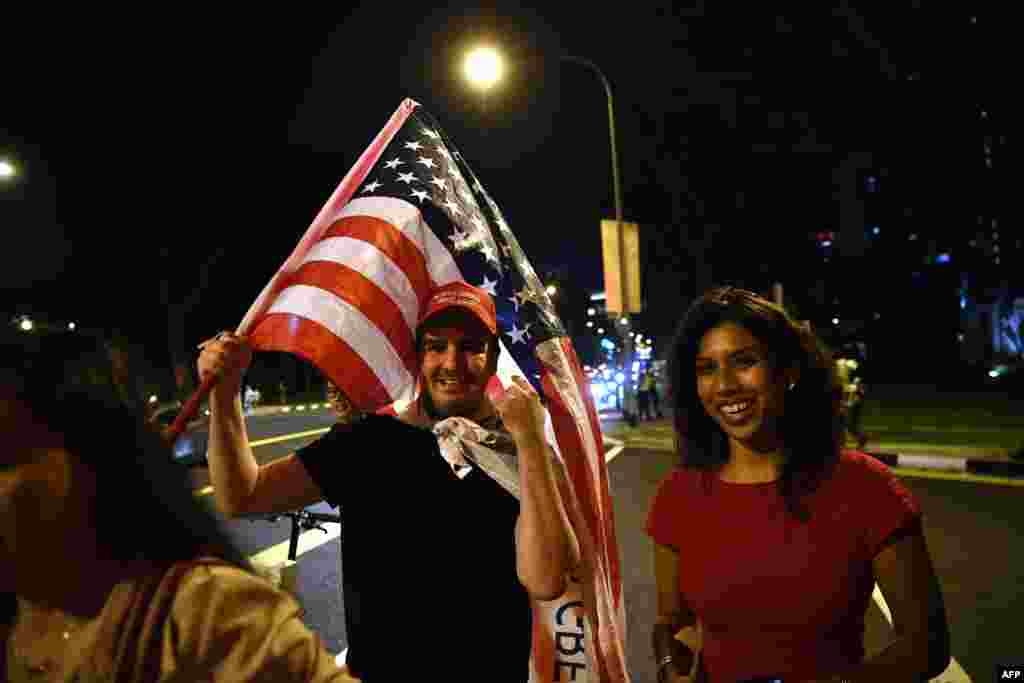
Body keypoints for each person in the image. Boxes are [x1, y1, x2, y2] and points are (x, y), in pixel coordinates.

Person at [198, 281, 581, 682]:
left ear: (493, 358)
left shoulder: (520, 450)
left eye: (470, 347)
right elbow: (242, 496)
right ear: (419, 356)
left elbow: (546, 579)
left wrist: (530, 439)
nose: (451, 363)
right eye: (436, 346)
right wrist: (224, 394)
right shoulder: (366, 443)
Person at [0, 325, 358, 682]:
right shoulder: (22, 617)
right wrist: (224, 392)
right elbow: (243, 494)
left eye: (6, 455)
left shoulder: (205, 616)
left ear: (89, 456)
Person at [647, 287, 950, 683]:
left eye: (744, 361)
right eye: (706, 369)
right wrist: (671, 667)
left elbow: (926, 645)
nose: (724, 385)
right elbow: (673, 622)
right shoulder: (678, 495)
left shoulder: (867, 487)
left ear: (788, 370)